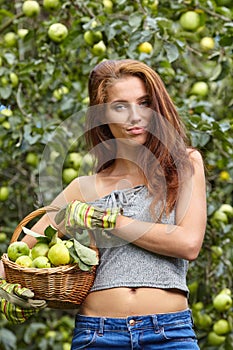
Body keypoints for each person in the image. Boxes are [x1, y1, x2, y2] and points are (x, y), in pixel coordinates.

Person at [0, 59, 206, 349]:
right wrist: (7, 290)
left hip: (169, 334)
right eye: (120, 106)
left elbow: (188, 243)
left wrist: (108, 220)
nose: (136, 116)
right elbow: (20, 250)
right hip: (98, 334)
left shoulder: (185, 164)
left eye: (144, 102)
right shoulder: (83, 189)